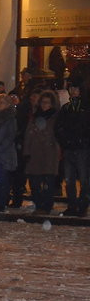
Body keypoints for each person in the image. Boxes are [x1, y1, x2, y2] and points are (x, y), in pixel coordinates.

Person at [54, 78, 89, 216]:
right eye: (71, 89)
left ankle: (82, 205)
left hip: (82, 148)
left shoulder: (85, 107)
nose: (73, 91)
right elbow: (58, 127)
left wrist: (82, 139)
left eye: (76, 89)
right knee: (69, 179)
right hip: (69, 148)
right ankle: (72, 205)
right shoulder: (66, 108)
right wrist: (64, 141)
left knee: (84, 179)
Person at [23, 90, 60, 214]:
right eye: (43, 102)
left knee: (48, 182)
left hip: (49, 153)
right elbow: (28, 135)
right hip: (35, 153)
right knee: (34, 182)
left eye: (47, 103)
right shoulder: (35, 117)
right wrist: (26, 151)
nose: (45, 105)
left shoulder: (55, 118)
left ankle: (46, 205)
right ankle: (39, 204)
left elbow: (57, 136)